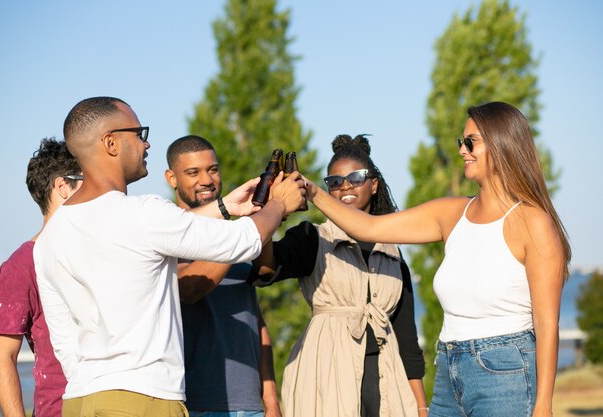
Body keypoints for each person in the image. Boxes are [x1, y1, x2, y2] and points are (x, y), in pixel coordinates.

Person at [34, 96, 304, 417]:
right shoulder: (143, 212)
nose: (146, 145)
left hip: (80, 397)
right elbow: (241, 242)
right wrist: (279, 203)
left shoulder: (51, 236)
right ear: (111, 142)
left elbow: (63, 340)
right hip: (143, 397)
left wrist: (224, 207)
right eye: (139, 133)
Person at [305, 102, 571, 417]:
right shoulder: (451, 213)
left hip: (507, 370)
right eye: (462, 142)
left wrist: (544, 405)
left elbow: (545, 322)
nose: (462, 150)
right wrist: (311, 191)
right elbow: (369, 226)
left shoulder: (533, 221)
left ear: (502, 145)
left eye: (471, 141)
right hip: (448, 369)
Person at [251, 134, 428, 417]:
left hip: (386, 377)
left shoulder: (392, 250)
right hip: (326, 373)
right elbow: (265, 270)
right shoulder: (313, 238)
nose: (345, 186)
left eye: (355, 178)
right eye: (334, 182)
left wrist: (421, 407)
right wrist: (272, 212)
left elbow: (407, 338)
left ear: (374, 184)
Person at [164, 135, 282, 417]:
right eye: (193, 172)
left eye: (213, 169)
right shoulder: (167, 233)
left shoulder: (235, 233)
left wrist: (272, 401)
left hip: (251, 405)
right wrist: (239, 237)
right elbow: (190, 288)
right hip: (196, 402)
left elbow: (256, 317)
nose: (206, 180)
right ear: (172, 178)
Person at [0, 138, 83, 417]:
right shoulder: (22, 264)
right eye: (89, 181)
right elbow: (1, 355)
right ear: (63, 187)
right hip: (58, 410)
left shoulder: (102, 251)